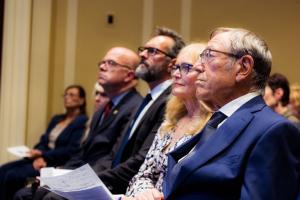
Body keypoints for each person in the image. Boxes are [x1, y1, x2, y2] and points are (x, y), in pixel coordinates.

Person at [30, 26, 185, 200]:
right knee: (39, 191)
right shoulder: (147, 100)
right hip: (112, 177)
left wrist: (87, 181)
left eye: (152, 51)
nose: (142, 55)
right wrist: (70, 178)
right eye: (143, 50)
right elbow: (113, 154)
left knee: (50, 197)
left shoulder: (169, 102)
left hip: (130, 186)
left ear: (172, 63)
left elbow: (142, 159)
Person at [163, 27, 300, 199]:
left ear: (243, 67)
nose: (198, 67)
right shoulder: (219, 120)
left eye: (209, 55)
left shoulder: (274, 131)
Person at [14, 47, 143, 200]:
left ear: (129, 75)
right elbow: (83, 152)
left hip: (102, 178)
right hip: (82, 171)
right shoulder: (104, 108)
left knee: (48, 196)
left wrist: (70, 179)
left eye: (111, 63)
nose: (102, 67)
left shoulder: (135, 107)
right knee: (23, 194)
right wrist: (61, 171)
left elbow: (111, 158)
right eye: (102, 63)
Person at [124, 43, 212, 199]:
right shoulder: (171, 122)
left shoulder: (213, 126)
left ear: (205, 75)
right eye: (175, 67)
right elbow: (142, 175)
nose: (176, 74)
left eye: (186, 67)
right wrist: (144, 192)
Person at [0, 84, 88, 200]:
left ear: (81, 100)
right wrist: (38, 154)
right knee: (4, 169)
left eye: (71, 95)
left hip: (56, 162)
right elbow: (44, 140)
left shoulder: (82, 121)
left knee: (13, 176)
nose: (67, 97)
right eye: (65, 94)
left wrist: (43, 155)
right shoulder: (57, 119)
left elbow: (70, 150)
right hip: (41, 158)